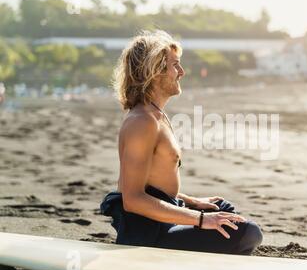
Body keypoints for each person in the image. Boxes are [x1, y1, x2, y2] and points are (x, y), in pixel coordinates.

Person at [100, 30, 263, 255]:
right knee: (248, 232)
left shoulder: (156, 116)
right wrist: (201, 219)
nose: (182, 72)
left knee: (223, 210)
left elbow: (153, 186)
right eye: (175, 65)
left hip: (164, 217)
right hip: (148, 234)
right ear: (154, 71)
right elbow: (132, 198)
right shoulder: (142, 122)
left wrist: (192, 201)